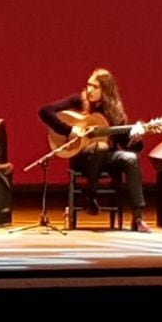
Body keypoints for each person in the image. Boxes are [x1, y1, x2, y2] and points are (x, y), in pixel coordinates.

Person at [38, 68, 150, 232]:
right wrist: (68, 130)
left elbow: (128, 145)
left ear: (105, 90)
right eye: (88, 85)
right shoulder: (79, 101)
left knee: (130, 158)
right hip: (82, 158)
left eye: (94, 87)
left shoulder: (113, 113)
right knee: (101, 147)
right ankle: (90, 195)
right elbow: (44, 111)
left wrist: (136, 138)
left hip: (107, 158)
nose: (89, 90)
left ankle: (138, 218)